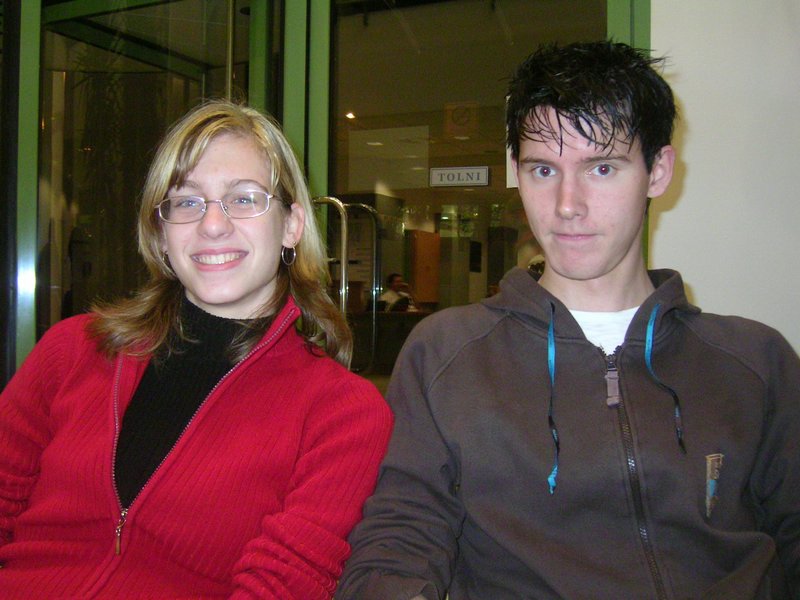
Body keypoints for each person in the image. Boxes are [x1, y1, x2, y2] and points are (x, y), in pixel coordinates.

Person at [335, 41, 800, 599]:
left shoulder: (754, 361)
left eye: (602, 168)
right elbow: (400, 538)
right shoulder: (446, 353)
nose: (567, 205)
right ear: (516, 172)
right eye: (543, 170)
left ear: (657, 171)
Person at [0, 100, 393, 599]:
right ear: (161, 232)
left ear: (292, 225)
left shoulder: (343, 413)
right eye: (186, 202)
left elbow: (283, 585)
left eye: (244, 198)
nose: (212, 225)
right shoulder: (72, 351)